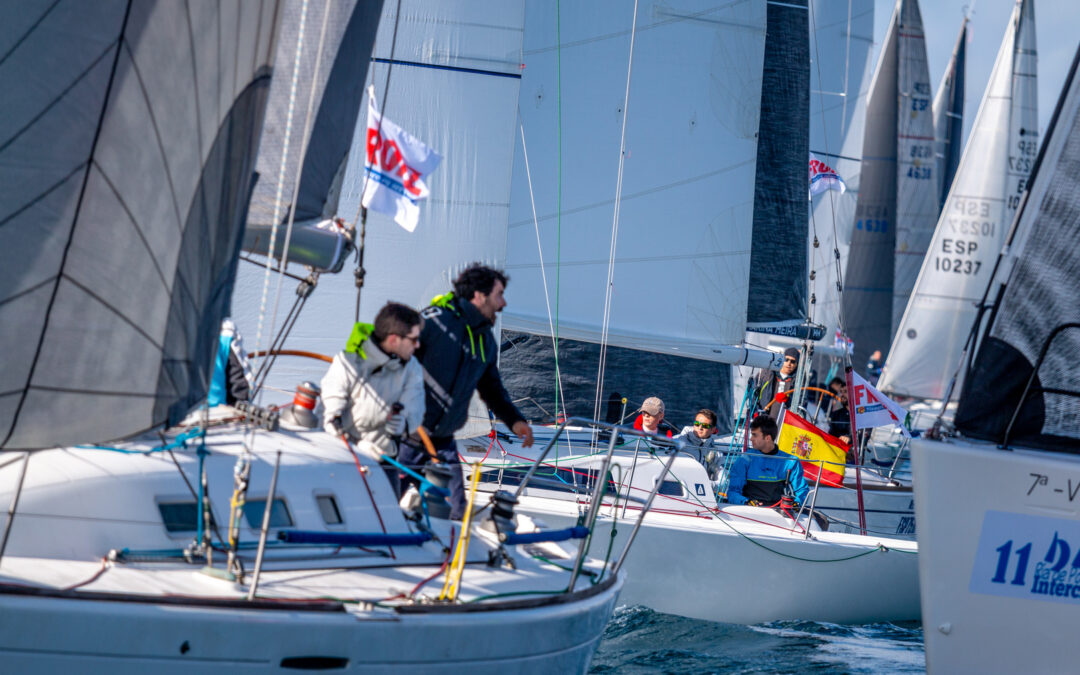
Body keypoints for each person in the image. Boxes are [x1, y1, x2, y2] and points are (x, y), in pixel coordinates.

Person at [397, 264, 533, 519]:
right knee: (378, 507)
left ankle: (443, 559)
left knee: (455, 517)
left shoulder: (485, 341)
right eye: (499, 294)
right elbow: (394, 362)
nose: (503, 303)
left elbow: (492, 389)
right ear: (479, 295)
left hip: (442, 444)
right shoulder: (434, 322)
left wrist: (515, 421)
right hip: (404, 439)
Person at [321, 302, 426, 495]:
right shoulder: (348, 362)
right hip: (340, 458)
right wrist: (359, 447)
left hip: (385, 462)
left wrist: (403, 424)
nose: (417, 345)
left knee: (389, 521)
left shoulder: (412, 368)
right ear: (394, 340)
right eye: (413, 339)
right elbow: (329, 419)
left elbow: (416, 411)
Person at [726, 415, 809, 507]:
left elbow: (802, 490)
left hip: (779, 513)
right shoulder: (745, 460)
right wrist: (746, 502)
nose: (751, 438)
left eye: (754, 435)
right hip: (750, 511)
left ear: (768, 438)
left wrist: (796, 503)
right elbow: (733, 492)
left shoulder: (791, 462)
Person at [756, 347, 800, 419]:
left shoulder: (797, 383)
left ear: (796, 364)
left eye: (793, 361)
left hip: (784, 423)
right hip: (763, 419)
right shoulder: (766, 374)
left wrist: (788, 401)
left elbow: (801, 404)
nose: (789, 363)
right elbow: (754, 395)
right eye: (786, 360)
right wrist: (756, 412)